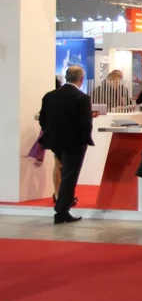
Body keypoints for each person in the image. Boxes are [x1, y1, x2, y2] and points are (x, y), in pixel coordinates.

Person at [39, 66, 93, 224]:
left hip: (55, 141)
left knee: (63, 171)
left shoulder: (50, 96)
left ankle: (61, 208)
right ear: (81, 79)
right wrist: (85, 140)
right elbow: (85, 124)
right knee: (70, 176)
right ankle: (62, 211)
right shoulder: (82, 98)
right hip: (75, 143)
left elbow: (43, 119)